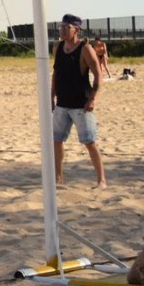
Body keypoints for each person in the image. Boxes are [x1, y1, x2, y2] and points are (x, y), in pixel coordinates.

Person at [52, 14, 106, 188]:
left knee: (89, 142)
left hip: (80, 104)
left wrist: (92, 99)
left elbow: (98, 75)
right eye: (61, 27)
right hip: (62, 103)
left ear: (76, 30)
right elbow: (56, 73)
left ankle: (101, 181)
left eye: (67, 27)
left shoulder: (85, 48)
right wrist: (51, 95)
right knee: (56, 140)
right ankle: (58, 179)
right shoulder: (58, 47)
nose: (62, 30)